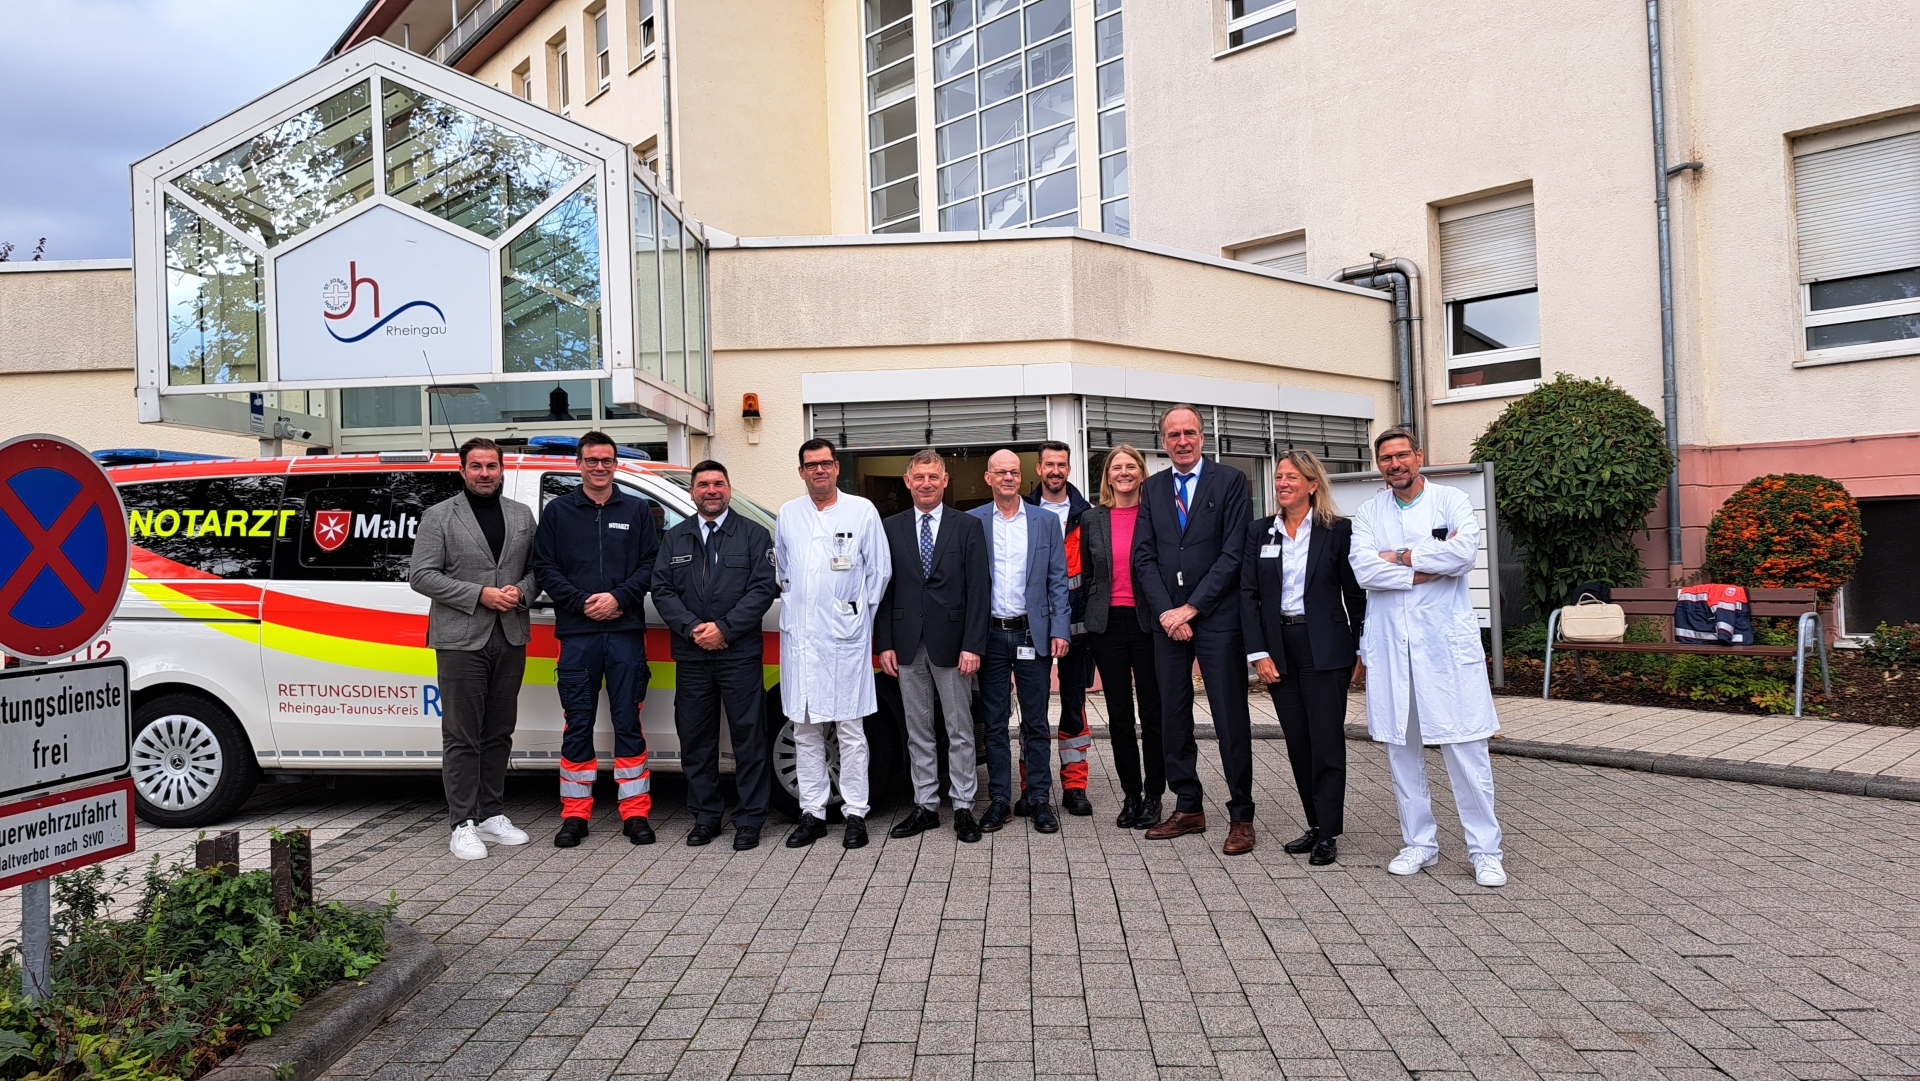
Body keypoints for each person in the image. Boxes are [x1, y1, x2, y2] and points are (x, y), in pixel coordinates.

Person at [1349, 426, 1508, 888]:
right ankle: (1419, 842)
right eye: (1386, 459)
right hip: (1392, 649)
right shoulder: (1367, 511)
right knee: (1402, 751)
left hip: (1444, 648)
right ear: (1379, 464)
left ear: (1419, 456)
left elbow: (1463, 555)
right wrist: (1420, 568)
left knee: (1465, 749)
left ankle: (1485, 850)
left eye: (1402, 455)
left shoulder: (1451, 501)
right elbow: (1363, 568)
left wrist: (1396, 556)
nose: (1395, 464)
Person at [1134, 405, 1257, 855]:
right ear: (1162, 441)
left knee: (1229, 717)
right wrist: (1169, 612)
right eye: (1172, 435)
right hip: (1168, 622)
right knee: (1172, 715)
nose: (1181, 441)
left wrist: (1192, 608)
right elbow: (1143, 557)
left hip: (1217, 618)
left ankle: (1241, 815)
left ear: (1203, 437)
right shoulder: (1153, 488)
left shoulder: (1230, 482)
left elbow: (1234, 553)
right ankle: (1188, 807)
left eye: (1189, 433)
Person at [532, 430, 661, 848]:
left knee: (628, 722)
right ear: (579, 464)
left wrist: (619, 598)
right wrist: (583, 601)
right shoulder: (558, 512)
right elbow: (544, 567)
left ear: (615, 465)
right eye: (592, 460)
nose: (600, 467)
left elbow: (650, 564)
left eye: (606, 460)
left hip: (624, 632)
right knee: (578, 724)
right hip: (578, 632)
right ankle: (575, 815)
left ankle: (635, 813)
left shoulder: (639, 510)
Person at [410, 437, 537, 860]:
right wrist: (478, 594)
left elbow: (538, 570)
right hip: (460, 639)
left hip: (510, 636)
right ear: (462, 471)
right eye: (477, 466)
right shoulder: (439, 516)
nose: (485, 473)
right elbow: (422, 576)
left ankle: (490, 814)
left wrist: (520, 590)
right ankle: (461, 822)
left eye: (492, 466)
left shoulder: (521, 516)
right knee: (462, 735)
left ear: (502, 470)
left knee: (499, 730)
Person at [1241, 449, 1366, 866]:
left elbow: (1356, 594)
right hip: (1280, 648)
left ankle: (1329, 832)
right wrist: (1259, 652)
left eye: (1292, 477)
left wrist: (1361, 647)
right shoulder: (1260, 532)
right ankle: (1314, 824)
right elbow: (1249, 596)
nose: (1282, 483)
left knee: (1326, 742)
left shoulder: (1338, 531)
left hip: (1325, 648)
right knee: (1298, 742)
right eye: (1278, 477)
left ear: (1313, 484)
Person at [652, 460, 780, 851]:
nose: (711, 490)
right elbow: (661, 590)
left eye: (718, 484)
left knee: (749, 739)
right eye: (703, 484)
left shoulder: (754, 535)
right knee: (696, 740)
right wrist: (694, 629)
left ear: (728, 488)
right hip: (691, 656)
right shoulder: (675, 538)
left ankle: (749, 819)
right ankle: (706, 816)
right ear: (692, 492)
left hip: (739, 653)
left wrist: (724, 629)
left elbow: (762, 590)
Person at [775, 439, 891, 850]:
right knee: (804, 727)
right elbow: (784, 571)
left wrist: (856, 616)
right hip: (801, 641)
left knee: (850, 729)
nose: (818, 471)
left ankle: (855, 812)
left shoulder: (861, 511)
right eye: (811, 465)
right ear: (802, 471)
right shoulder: (789, 514)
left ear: (837, 468)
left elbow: (878, 571)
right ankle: (813, 812)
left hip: (845, 639)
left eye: (825, 463)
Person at [877, 449, 990, 844]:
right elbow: (884, 589)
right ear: (907, 482)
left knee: (959, 729)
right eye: (919, 476)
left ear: (945, 481)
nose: (926, 482)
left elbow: (979, 590)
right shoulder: (890, 526)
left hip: (955, 644)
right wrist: (885, 643)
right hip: (906, 645)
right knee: (917, 730)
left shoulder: (967, 527)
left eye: (933, 476)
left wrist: (974, 643)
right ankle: (925, 805)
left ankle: (962, 807)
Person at [969, 449, 1071, 834]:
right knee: (994, 723)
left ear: (1021, 476)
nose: (1009, 477)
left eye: (1014, 471)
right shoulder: (973, 522)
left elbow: (1057, 580)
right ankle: (999, 800)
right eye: (1001, 472)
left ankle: (1040, 800)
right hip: (991, 635)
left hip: (1033, 633)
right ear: (989, 478)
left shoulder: (1044, 521)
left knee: (1036, 721)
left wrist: (1060, 628)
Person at [1078, 444, 1164, 830]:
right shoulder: (1091, 518)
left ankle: (1154, 795)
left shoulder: (1155, 515)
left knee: (1153, 713)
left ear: (1141, 472)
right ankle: (1130, 795)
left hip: (1148, 624)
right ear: (1108, 476)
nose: (1124, 472)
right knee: (1118, 717)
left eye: (1131, 466)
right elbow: (1088, 576)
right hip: (1107, 625)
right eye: (1117, 467)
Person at [1023, 440, 1096, 818]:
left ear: (1069, 468)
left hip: (1077, 630)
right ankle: (1029, 785)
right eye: (1049, 464)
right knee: (1032, 710)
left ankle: (1075, 786)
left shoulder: (1087, 515)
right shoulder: (1022, 511)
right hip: (1031, 627)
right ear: (1039, 469)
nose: (1055, 470)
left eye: (1061, 464)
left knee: (1073, 708)